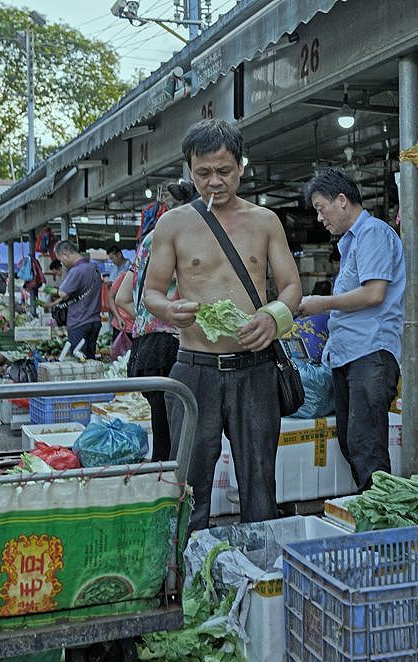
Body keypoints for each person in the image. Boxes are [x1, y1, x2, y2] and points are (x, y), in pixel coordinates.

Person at [143, 118, 301, 531]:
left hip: (256, 370)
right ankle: (187, 562)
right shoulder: (172, 224)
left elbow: (291, 287)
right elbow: (152, 292)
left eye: (224, 170)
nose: (214, 182)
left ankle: (259, 561)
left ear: (241, 166)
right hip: (195, 369)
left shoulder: (265, 221)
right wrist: (168, 310)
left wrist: (273, 317)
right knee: (190, 485)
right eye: (203, 173)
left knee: (260, 481)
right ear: (189, 170)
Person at [298, 167, 405, 492]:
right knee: (351, 439)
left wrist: (322, 303)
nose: (320, 218)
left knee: (366, 444)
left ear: (342, 200)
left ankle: (381, 513)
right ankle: (371, 506)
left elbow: (374, 294)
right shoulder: (350, 243)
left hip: (370, 353)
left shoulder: (373, 233)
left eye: (321, 208)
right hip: (349, 354)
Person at [116, 224, 179, 462]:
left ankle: (161, 479)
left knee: (162, 434)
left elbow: (122, 298)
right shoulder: (185, 235)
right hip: (172, 348)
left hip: (145, 349)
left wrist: (150, 321)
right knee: (179, 438)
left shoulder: (149, 242)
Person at [45, 241, 103, 359]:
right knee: (90, 360)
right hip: (95, 321)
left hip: (79, 322)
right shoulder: (95, 268)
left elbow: (64, 294)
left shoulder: (76, 270)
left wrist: (51, 290)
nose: (62, 263)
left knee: (79, 360)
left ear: (66, 254)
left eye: (61, 259)